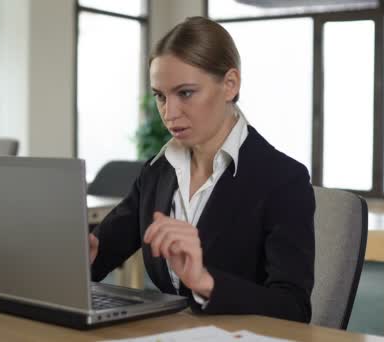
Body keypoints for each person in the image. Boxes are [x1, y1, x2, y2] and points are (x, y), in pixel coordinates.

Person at [88, 16, 315, 323]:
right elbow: (99, 253)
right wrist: (78, 254)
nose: (169, 113)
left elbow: (293, 308)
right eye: (160, 96)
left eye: (185, 93)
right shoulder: (157, 172)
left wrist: (205, 282)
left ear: (230, 85)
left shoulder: (284, 180)